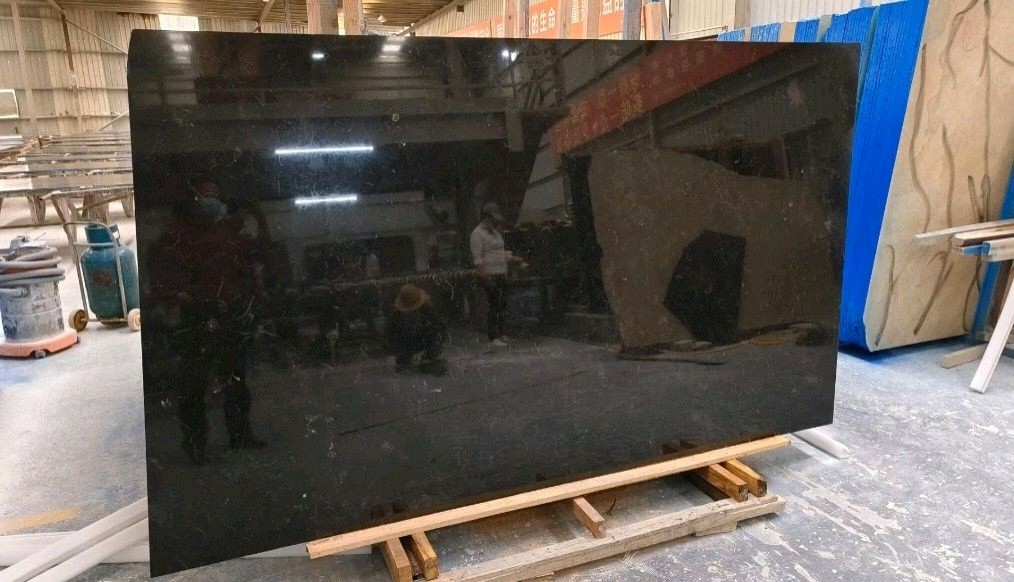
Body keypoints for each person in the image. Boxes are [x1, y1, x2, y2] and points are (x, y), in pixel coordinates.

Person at [150, 175, 267, 465]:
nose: (212, 201)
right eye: (206, 195)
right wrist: (183, 299)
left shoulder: (227, 232)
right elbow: (163, 275)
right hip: (197, 318)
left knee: (236, 380)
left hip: (228, 316)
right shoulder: (178, 234)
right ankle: (196, 446)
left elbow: (251, 261)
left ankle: (240, 435)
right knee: (193, 386)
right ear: (194, 199)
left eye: (216, 196)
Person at [470, 202, 525, 348]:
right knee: (494, 305)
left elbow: (500, 253)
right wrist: (486, 278)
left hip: (501, 273)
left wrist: (513, 259)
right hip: (489, 275)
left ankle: (500, 333)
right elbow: (478, 259)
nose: (494, 222)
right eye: (492, 219)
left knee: (502, 304)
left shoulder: (496, 233)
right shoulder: (477, 234)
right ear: (486, 217)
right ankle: (493, 337)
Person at [384, 284, 447, 375]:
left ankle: (427, 358)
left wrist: (432, 349)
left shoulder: (425, 307)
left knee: (437, 331)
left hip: (421, 339)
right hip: (406, 343)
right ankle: (407, 361)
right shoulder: (395, 316)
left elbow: (439, 325)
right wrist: (402, 354)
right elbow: (390, 337)